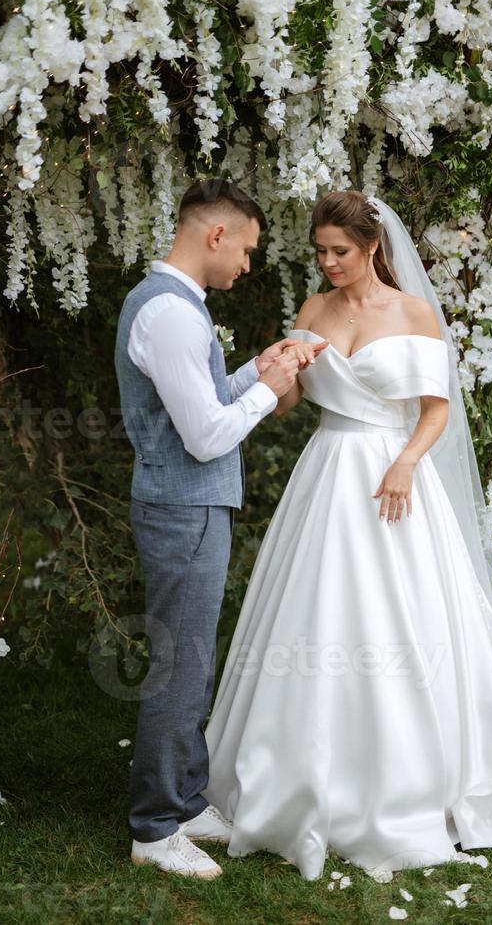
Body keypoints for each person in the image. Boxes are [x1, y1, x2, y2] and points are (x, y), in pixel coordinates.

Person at [201, 189, 492, 881]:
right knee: (315, 614)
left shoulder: (411, 314)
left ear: (372, 247)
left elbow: (436, 410)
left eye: (339, 252)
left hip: (393, 478)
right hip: (326, 474)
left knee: (405, 619)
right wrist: (277, 373)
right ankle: (293, 772)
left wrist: (406, 460)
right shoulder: (313, 311)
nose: (327, 264)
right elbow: (289, 405)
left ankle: (416, 780)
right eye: (319, 252)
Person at [114, 178, 327, 879]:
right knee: (179, 669)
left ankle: (183, 800)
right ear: (216, 235)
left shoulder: (175, 306)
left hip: (187, 507)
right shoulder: (172, 313)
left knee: (192, 660)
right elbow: (206, 437)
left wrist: (256, 370)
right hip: (184, 511)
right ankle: (154, 829)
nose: (246, 264)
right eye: (247, 248)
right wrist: (271, 388)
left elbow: (200, 405)